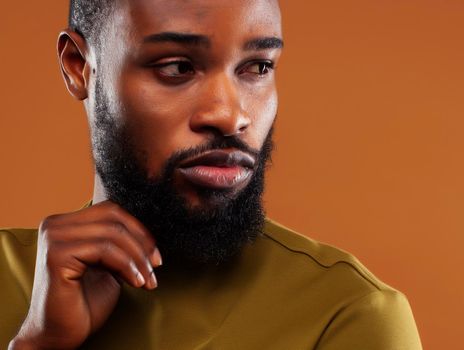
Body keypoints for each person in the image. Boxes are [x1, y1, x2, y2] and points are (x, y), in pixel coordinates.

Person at [1, 0, 422, 349]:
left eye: (257, 67)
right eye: (177, 67)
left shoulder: (347, 315)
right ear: (79, 66)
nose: (231, 115)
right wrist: (40, 343)